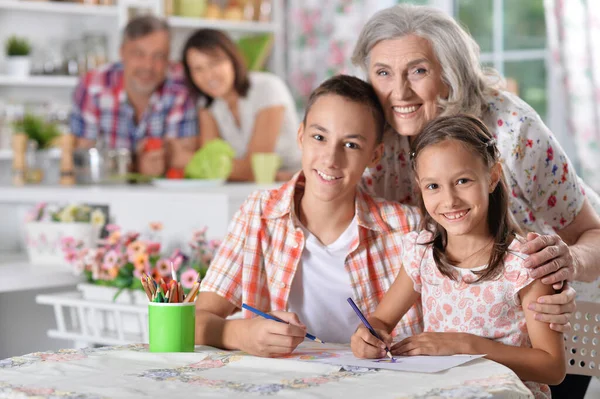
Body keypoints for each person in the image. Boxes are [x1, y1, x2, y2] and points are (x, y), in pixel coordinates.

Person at [351, 6, 600, 397]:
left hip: (549, 317)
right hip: (449, 346)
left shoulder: (511, 127)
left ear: (449, 74)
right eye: (383, 73)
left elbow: (591, 232)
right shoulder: (376, 136)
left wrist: (569, 262)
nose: (399, 92)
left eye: (418, 70)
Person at [195, 74, 421, 356]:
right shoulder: (258, 214)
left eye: (351, 145)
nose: (330, 159)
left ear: (374, 156)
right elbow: (196, 321)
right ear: (301, 136)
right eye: (319, 137)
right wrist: (240, 333)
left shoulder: (407, 228)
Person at [351, 115, 565, 399]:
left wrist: (466, 345)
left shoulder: (526, 263)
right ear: (419, 186)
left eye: (462, 181)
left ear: (492, 177)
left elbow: (552, 367)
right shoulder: (422, 253)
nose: (449, 200)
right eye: (433, 186)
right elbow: (380, 322)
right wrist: (367, 337)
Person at [70, 15, 198, 177]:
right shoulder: (93, 86)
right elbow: (84, 161)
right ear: (122, 53)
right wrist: (137, 164)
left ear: (168, 58)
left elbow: (181, 160)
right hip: (106, 192)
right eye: (139, 54)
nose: (148, 65)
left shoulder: (181, 88)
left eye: (159, 56)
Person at [182, 29, 301, 182]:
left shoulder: (267, 88)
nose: (208, 75)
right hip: (251, 186)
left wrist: (189, 160)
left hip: (295, 184)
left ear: (232, 59)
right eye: (198, 69)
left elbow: (255, 169)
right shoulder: (207, 105)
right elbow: (209, 166)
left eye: (214, 63)